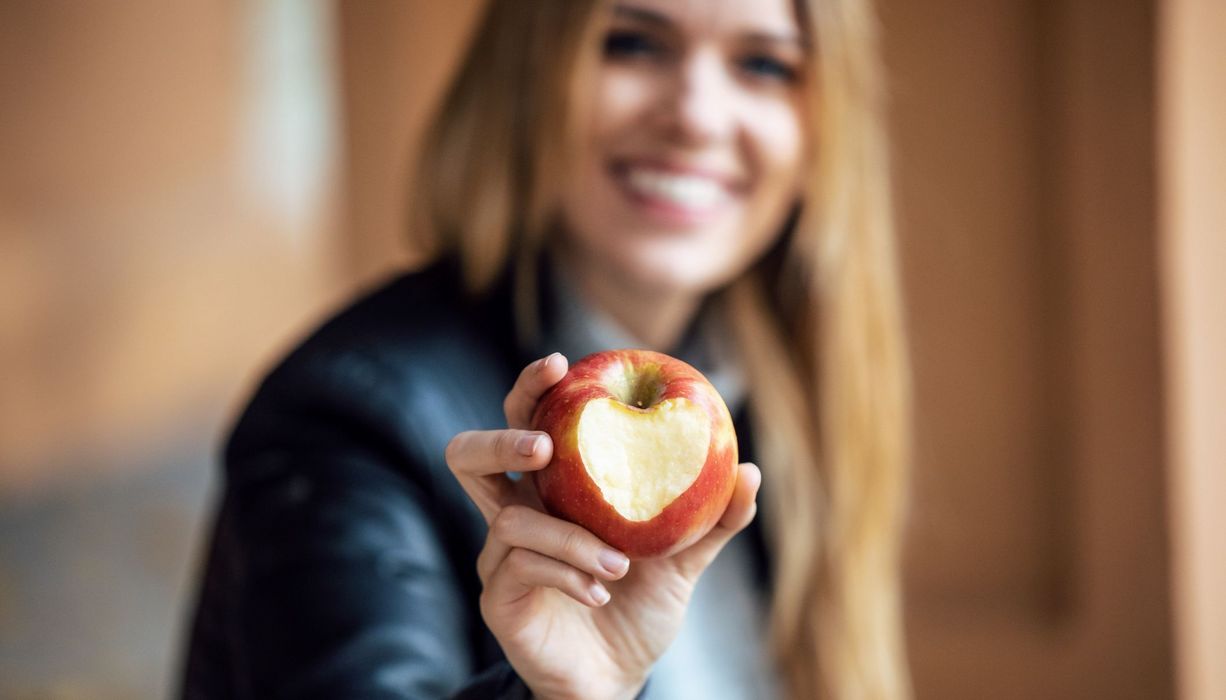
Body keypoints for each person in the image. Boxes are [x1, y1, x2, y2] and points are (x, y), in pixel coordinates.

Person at [180, 0, 911, 698]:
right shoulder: (347, 423)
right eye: (632, 43)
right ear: (526, 78)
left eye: (763, 64)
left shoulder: (778, 397)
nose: (696, 116)